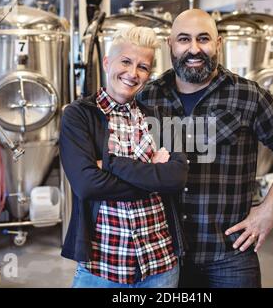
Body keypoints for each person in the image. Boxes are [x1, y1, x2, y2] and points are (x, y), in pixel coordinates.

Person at [137, 9, 273, 288]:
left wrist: (269, 209)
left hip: (229, 254)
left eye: (203, 39)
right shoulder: (147, 95)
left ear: (218, 44)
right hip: (164, 254)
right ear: (169, 44)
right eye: (183, 39)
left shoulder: (248, 95)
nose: (194, 49)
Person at [59, 26, 189, 288]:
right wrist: (152, 177)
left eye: (143, 67)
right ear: (108, 62)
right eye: (126, 62)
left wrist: (109, 164)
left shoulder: (160, 117)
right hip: (101, 267)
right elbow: (87, 185)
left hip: (160, 265)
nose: (132, 73)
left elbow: (176, 178)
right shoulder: (78, 115)